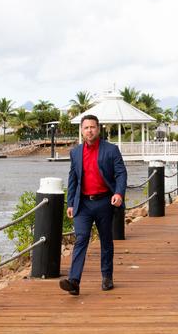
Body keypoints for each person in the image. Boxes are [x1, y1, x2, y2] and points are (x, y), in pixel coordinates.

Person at [59, 114, 127, 295]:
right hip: (83, 205)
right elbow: (73, 178)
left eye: (92, 127)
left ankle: (107, 277)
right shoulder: (75, 152)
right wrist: (71, 203)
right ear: (81, 130)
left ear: (98, 129)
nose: (89, 130)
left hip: (105, 202)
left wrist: (119, 193)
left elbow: (121, 174)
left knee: (106, 240)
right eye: (86, 127)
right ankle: (74, 281)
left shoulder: (111, 150)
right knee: (81, 239)